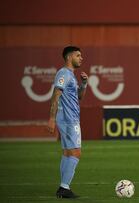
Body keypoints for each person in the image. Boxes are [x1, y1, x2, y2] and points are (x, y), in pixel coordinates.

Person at [47, 46, 88, 198]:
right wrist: (51, 118)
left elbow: (79, 97)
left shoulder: (71, 75)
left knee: (67, 153)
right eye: (78, 55)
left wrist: (84, 84)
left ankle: (63, 187)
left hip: (69, 118)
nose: (81, 58)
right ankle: (64, 187)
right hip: (68, 119)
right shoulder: (64, 73)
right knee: (76, 153)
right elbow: (56, 95)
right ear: (69, 57)